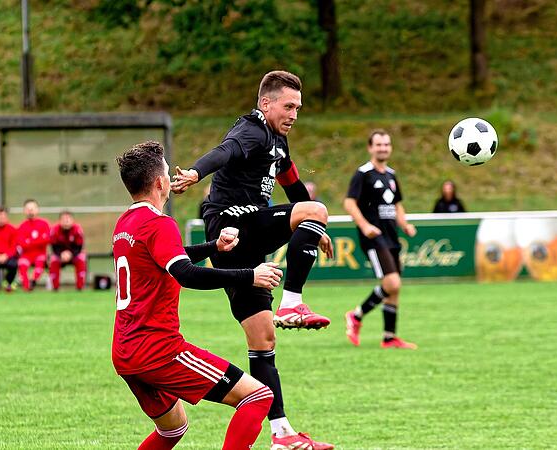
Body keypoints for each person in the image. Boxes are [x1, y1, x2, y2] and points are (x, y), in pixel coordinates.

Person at [171, 71, 334, 449]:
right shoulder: (253, 128)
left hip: (239, 245)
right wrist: (197, 171)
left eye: (298, 107)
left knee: (262, 338)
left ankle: (281, 435)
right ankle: (293, 302)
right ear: (266, 103)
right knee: (317, 209)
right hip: (233, 226)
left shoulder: (279, 143)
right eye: (288, 105)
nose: (294, 113)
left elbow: (294, 189)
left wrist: (313, 224)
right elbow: (225, 151)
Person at [113, 141, 282, 449]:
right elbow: (186, 274)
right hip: (157, 349)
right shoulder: (159, 223)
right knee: (259, 396)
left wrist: (212, 247)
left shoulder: (126, 223)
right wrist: (251, 276)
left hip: (125, 351)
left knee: (172, 429)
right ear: (161, 182)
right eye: (167, 171)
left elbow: (167, 256)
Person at [343, 130, 418, 349]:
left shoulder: (391, 175)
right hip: (375, 238)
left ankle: (389, 337)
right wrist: (365, 225)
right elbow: (349, 202)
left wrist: (405, 225)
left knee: (395, 288)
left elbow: (397, 205)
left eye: (386, 144)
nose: (383, 148)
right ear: (370, 148)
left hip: (392, 236)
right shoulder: (363, 173)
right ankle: (356, 315)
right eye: (379, 145)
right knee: (392, 283)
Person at [16, 199, 50, 291]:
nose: (30, 210)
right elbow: (21, 243)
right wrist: (37, 240)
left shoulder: (44, 224)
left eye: (33, 208)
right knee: (22, 266)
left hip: (40, 253)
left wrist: (29, 241)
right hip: (26, 254)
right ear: (24, 211)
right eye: (28, 208)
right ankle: (27, 287)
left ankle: (33, 281)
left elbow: (46, 240)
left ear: (37, 209)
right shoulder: (22, 226)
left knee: (40, 263)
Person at [49, 211, 87, 291]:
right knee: (53, 260)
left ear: (72, 220)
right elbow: (54, 246)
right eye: (64, 219)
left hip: (74, 255)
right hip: (60, 255)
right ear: (60, 221)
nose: (66, 221)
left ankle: (80, 287)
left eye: (68, 219)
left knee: (82, 258)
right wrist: (61, 254)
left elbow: (79, 246)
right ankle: (55, 287)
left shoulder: (77, 229)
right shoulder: (54, 230)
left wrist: (71, 254)